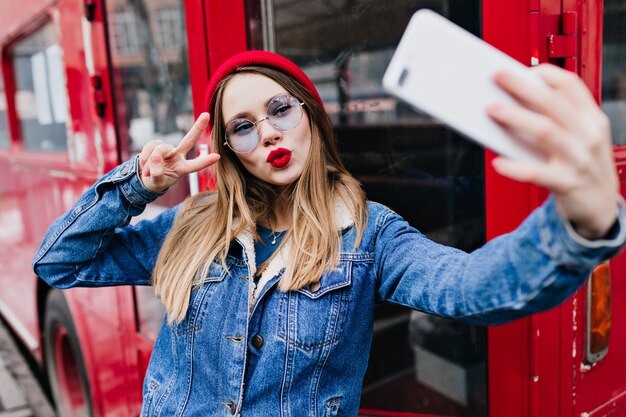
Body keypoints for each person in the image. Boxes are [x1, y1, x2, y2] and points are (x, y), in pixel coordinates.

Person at [33, 50, 625, 416]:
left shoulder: (368, 237)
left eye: (279, 108)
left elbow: (470, 287)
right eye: (242, 126)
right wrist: (136, 185)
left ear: (311, 118)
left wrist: (581, 220)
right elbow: (59, 263)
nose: (267, 131)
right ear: (231, 152)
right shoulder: (190, 228)